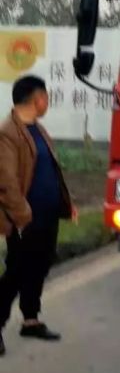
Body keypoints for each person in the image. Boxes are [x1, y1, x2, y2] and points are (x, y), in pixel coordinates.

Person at [0, 75, 74, 356]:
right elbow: (6, 181)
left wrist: (65, 204)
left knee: (40, 266)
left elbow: (51, 171)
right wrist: (23, 216)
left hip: (48, 214)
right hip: (26, 218)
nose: (48, 101)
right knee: (17, 272)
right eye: (46, 96)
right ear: (35, 98)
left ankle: (30, 320)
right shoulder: (8, 133)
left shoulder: (39, 130)